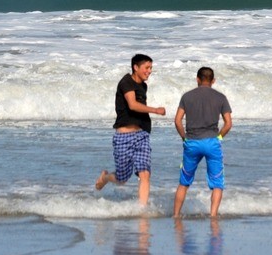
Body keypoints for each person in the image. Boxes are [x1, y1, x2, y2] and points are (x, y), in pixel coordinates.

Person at [95, 54, 166, 206]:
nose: (149, 71)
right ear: (136, 67)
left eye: (151, 68)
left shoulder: (143, 86)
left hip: (141, 135)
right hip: (123, 136)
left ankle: (142, 211)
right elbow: (132, 105)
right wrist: (155, 110)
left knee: (145, 173)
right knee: (122, 179)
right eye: (147, 68)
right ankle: (106, 178)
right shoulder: (126, 82)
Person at [173, 66, 233, 217]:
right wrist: (219, 137)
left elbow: (177, 121)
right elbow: (228, 124)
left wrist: (184, 137)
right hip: (212, 142)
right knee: (217, 183)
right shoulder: (221, 97)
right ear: (213, 81)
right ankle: (213, 216)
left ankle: (176, 215)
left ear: (197, 79)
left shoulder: (187, 96)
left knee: (184, 181)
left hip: (192, 142)